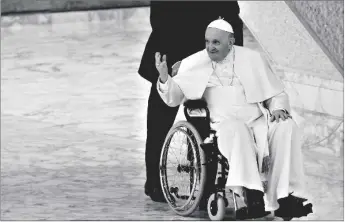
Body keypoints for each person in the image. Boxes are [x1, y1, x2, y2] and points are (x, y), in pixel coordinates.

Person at [155, 19, 313, 219]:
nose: (210, 47)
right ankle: (251, 193)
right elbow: (174, 97)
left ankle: (283, 197)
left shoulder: (252, 59)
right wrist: (164, 78)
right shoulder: (194, 63)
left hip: (258, 121)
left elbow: (275, 94)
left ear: (231, 42)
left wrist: (278, 108)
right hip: (224, 125)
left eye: (216, 43)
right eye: (207, 42)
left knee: (286, 125)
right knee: (238, 130)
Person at [138, 1, 244, 203]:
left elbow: (231, 17)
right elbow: (160, 18)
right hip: (173, 51)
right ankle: (155, 181)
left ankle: (203, 183)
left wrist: (234, 55)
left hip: (204, 54)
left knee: (201, 122)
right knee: (160, 122)